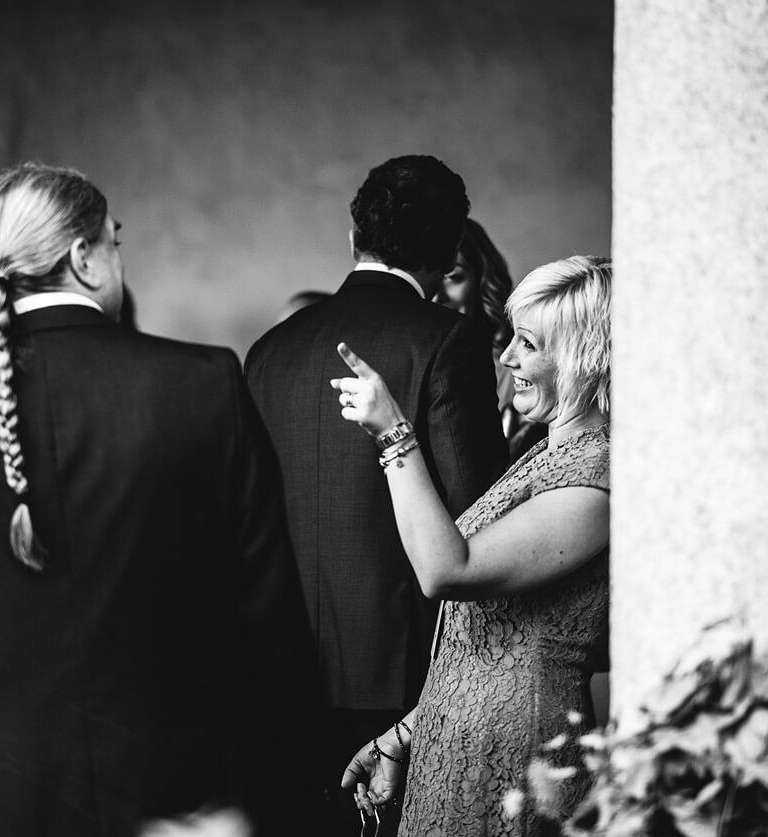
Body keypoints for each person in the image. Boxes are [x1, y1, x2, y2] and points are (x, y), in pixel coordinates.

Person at [0, 162, 320, 837]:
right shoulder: (204, 387)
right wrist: (285, 806)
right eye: (115, 241)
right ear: (84, 258)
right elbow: (270, 631)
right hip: (178, 805)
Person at [244, 155, 507, 834]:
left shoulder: (270, 352)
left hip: (286, 679)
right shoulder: (450, 341)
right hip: (407, 687)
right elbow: (481, 516)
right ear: (451, 246)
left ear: (352, 234)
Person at [335, 255, 612, 836]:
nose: (507, 356)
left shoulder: (597, 473)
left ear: (583, 358)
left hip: (519, 758)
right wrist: (404, 736)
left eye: (529, 342)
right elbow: (486, 641)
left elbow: (446, 570)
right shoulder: (546, 454)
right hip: (454, 745)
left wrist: (394, 435)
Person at [437, 219, 546, 462]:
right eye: (431, 278)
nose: (437, 294)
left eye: (453, 277)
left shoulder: (516, 365)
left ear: (481, 280)